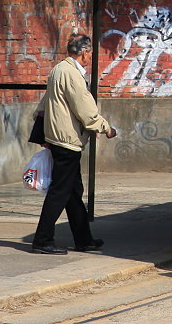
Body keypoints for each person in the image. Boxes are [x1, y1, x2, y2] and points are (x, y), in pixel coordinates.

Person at [31, 35, 116, 255]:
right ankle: (42, 240)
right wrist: (104, 127)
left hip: (60, 138)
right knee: (60, 191)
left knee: (72, 191)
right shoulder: (71, 74)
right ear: (85, 52)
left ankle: (83, 239)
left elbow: (44, 104)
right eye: (90, 53)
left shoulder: (59, 69)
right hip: (66, 140)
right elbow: (85, 108)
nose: (91, 57)